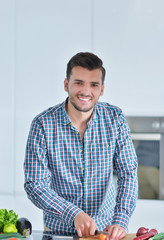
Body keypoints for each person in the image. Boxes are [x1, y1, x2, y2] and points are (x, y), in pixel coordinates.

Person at [24, 52, 138, 239]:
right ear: (66, 84)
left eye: (94, 85)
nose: (86, 91)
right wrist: (73, 214)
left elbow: (128, 173)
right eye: (78, 83)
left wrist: (121, 219)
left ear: (101, 89)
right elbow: (35, 185)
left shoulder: (115, 119)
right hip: (59, 231)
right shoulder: (43, 124)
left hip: (105, 230)